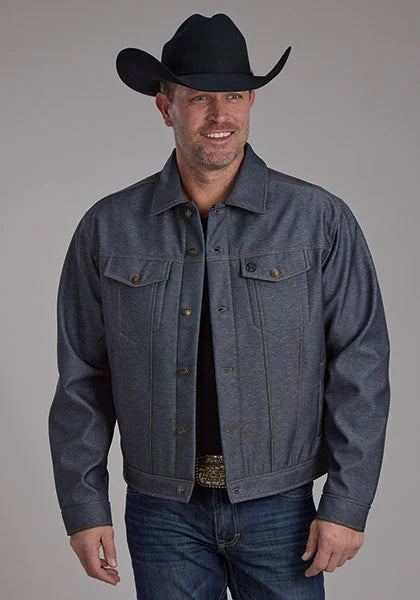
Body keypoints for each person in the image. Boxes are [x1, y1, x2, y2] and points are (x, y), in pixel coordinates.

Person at [48, 13, 391, 600]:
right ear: (166, 107)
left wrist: (347, 500)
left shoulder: (318, 220)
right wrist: (84, 506)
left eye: (233, 96)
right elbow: (82, 377)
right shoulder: (109, 227)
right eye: (199, 97)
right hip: (162, 515)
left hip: (282, 509)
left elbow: (361, 363)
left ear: (251, 102)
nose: (219, 115)